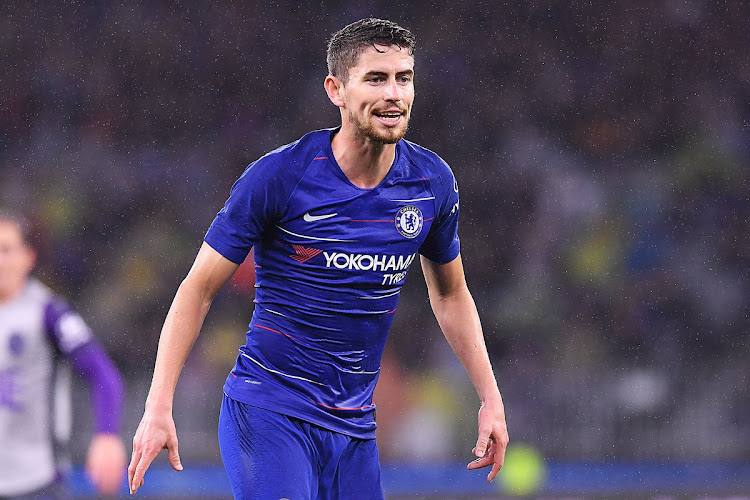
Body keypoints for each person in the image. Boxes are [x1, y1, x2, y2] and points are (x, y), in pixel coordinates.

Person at [129, 18, 509, 499]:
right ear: (336, 90)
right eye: (375, 78)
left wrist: (490, 398)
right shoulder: (280, 176)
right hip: (270, 413)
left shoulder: (431, 183)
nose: (394, 93)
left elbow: (451, 293)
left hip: (354, 430)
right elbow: (198, 289)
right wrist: (158, 406)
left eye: (403, 78)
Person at [0, 210, 127, 499]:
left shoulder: (49, 313)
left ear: (28, 258)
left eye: (6, 250)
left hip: (37, 483)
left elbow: (103, 374)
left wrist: (107, 435)